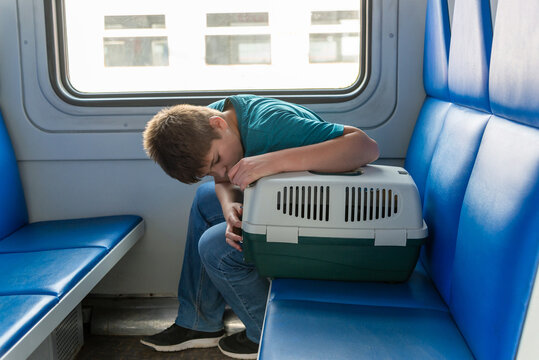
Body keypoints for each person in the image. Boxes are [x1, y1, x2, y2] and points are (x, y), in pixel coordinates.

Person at [140, 94, 379, 359]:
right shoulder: (214, 119)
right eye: (210, 170)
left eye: (217, 160)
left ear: (218, 125)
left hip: (324, 221)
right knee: (205, 199)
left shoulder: (270, 125)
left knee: (214, 248)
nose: (221, 172)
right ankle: (199, 322)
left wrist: (271, 161)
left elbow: (365, 147)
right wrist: (230, 208)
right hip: (288, 203)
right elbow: (223, 182)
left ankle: (266, 332)